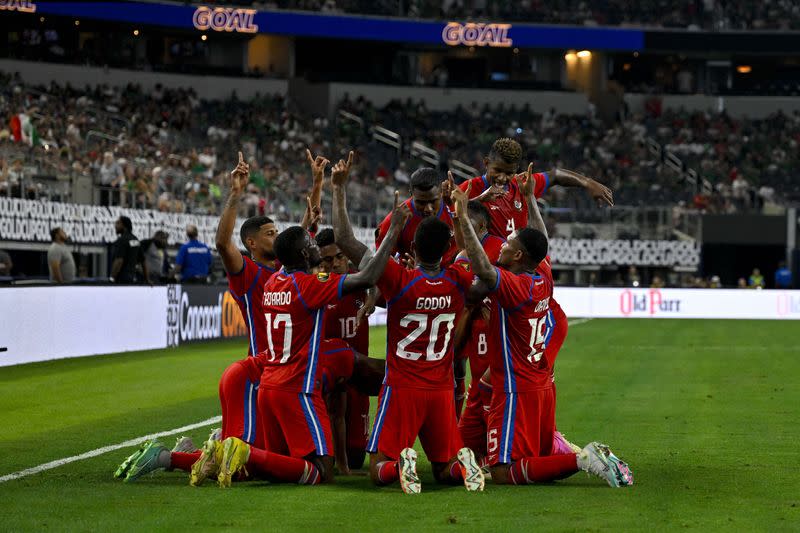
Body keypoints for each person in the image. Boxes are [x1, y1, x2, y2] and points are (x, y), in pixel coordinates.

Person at [211, 188, 409, 488]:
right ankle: (247, 455)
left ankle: (237, 457)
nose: (315, 243)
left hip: (269, 384)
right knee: (320, 472)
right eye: (311, 243)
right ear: (305, 254)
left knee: (281, 466)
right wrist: (394, 230)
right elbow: (367, 277)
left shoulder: (275, 280)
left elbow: (291, 248)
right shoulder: (308, 284)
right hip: (296, 387)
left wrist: (315, 197)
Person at [452, 171, 633, 488]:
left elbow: (482, 267)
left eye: (507, 243)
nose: (502, 244)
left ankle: (583, 459)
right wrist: (531, 197)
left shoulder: (515, 285)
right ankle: (550, 447)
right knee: (471, 445)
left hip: (516, 390)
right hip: (538, 384)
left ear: (518, 255)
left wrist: (463, 216)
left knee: (504, 472)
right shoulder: (542, 275)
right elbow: (539, 235)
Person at [118, 152, 282, 483]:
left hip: (277, 374)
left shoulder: (284, 272)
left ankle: (191, 449)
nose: (276, 238)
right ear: (251, 242)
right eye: (270, 233)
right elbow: (222, 243)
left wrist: (318, 192)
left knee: (257, 457)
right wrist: (235, 194)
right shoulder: (247, 272)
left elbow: (300, 244)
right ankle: (167, 457)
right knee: (241, 466)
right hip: (256, 374)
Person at [330, 158, 485, 494]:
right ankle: (464, 468)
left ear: (411, 248)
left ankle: (400, 465)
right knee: (444, 470)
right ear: (447, 249)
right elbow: (467, 253)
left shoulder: (398, 280)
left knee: (378, 467)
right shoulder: (459, 280)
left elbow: (344, 239)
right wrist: (460, 216)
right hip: (441, 390)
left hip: (402, 387)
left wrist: (339, 188)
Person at [457, 138, 614, 239]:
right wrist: (479, 200)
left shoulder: (522, 184)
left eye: (509, 172)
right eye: (497, 170)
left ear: (516, 169)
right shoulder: (469, 188)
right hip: (485, 270)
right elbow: (453, 219)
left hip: (516, 272)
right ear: (486, 163)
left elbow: (555, 175)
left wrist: (587, 182)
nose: (502, 178)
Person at [315, 227, 373, 473]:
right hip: (327, 381)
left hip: (357, 380)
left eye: (340, 256)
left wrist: (373, 296)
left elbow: (388, 286)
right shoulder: (315, 286)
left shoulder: (360, 282)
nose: (336, 263)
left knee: (357, 458)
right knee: (322, 455)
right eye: (327, 260)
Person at [375, 165, 458, 266]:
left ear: (441, 192)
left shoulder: (455, 210)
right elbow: (380, 260)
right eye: (421, 203)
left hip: (449, 277)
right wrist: (407, 273)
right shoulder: (398, 219)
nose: (428, 209)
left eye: (433, 201)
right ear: (411, 194)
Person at [110, 216, 146, 284]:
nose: (115, 226)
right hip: (132, 279)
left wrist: (112, 278)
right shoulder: (135, 240)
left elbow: (119, 261)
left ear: (124, 226)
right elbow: (143, 261)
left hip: (121, 280)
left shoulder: (122, 240)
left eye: (118, 223)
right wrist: (147, 278)